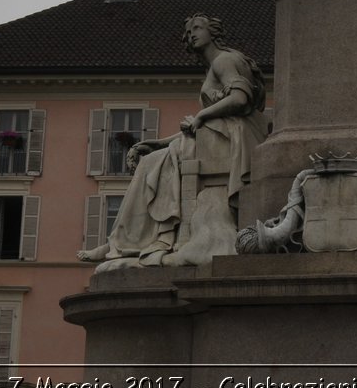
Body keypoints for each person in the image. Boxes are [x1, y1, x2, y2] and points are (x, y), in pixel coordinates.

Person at [77, 14, 268, 267]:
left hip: (231, 138)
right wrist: (161, 142)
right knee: (154, 159)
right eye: (188, 32)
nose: (192, 34)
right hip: (219, 136)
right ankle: (121, 241)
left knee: (150, 166)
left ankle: (125, 243)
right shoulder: (216, 64)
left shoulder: (224, 60)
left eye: (198, 28)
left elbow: (239, 99)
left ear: (213, 32)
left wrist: (200, 115)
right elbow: (201, 127)